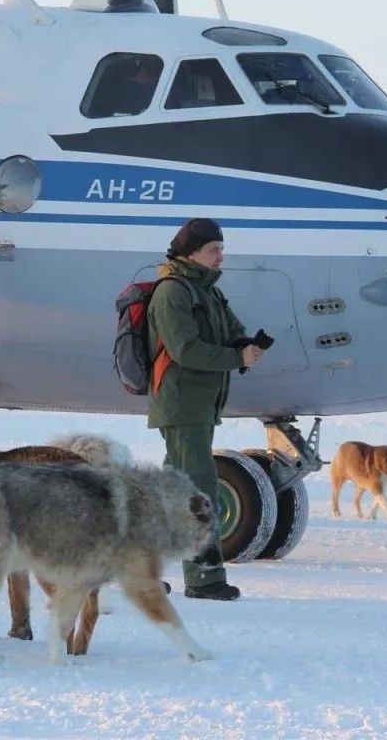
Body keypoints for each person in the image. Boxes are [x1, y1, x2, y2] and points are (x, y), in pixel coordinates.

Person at [147, 218, 265, 601]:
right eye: (214, 250)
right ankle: (204, 578)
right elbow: (185, 351)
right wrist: (236, 356)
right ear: (191, 252)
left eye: (221, 249)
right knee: (199, 488)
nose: (221, 257)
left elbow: (233, 330)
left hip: (201, 404)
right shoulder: (173, 293)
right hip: (182, 405)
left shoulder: (208, 292)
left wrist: (247, 344)